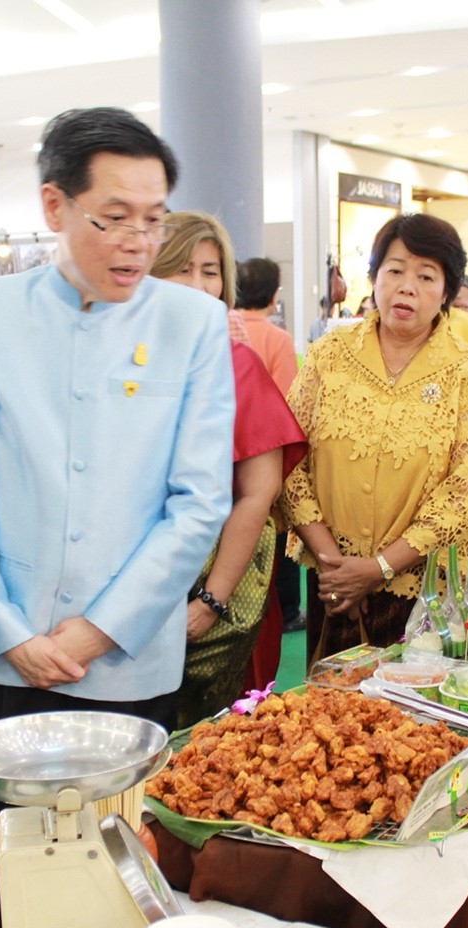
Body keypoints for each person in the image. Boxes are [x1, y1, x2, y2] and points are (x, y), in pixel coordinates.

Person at [0, 107, 234, 928]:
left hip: (128, 663)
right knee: (15, 882)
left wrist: (95, 631)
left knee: (120, 886)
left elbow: (198, 499)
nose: (137, 241)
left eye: (153, 220)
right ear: (55, 208)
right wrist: (11, 629)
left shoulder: (194, 323)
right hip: (4, 657)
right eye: (114, 218)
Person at [283, 213, 468, 658]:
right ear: (374, 277)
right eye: (395, 270)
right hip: (332, 585)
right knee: (325, 713)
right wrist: (337, 567)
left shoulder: (466, 370)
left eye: (426, 275)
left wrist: (378, 568)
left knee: (406, 719)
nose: (407, 287)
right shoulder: (329, 355)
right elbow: (288, 461)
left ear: (446, 291)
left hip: (418, 591)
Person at [152, 214, 305, 727]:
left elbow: (256, 496)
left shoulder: (237, 364)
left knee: (219, 749)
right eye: (181, 269)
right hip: (137, 589)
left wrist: (210, 603)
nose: (199, 285)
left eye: (211, 271)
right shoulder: (127, 363)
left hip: (222, 588)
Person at [235, 257, 306, 632]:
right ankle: (288, 609)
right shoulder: (277, 338)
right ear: (275, 295)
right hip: (265, 453)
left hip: (230, 460)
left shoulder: (224, 329)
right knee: (276, 538)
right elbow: (287, 401)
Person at [234, 257, 298, 397]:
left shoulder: (224, 328)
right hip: (261, 417)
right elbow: (287, 397)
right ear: (273, 295)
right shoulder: (280, 340)